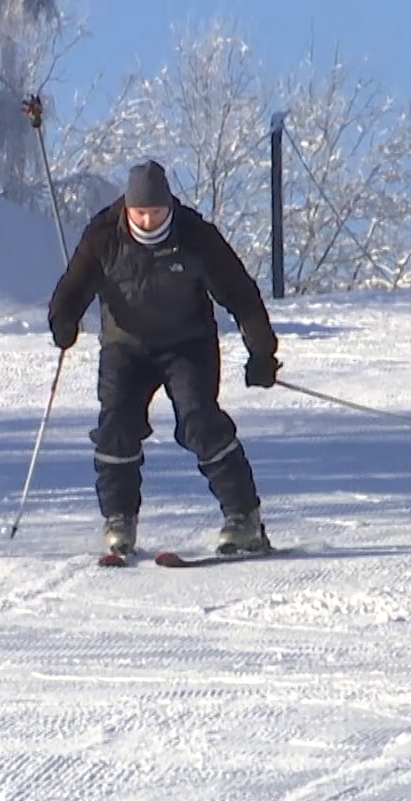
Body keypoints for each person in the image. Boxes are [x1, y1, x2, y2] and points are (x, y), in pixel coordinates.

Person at [46, 161, 281, 557]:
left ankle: (244, 518)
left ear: (169, 206)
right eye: (141, 212)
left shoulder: (196, 236)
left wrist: (262, 352)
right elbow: (72, 286)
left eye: (157, 212)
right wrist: (63, 320)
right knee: (117, 423)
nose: (149, 220)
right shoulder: (104, 234)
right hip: (126, 346)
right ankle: (119, 518)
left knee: (199, 422)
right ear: (127, 209)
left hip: (187, 345)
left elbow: (241, 294)